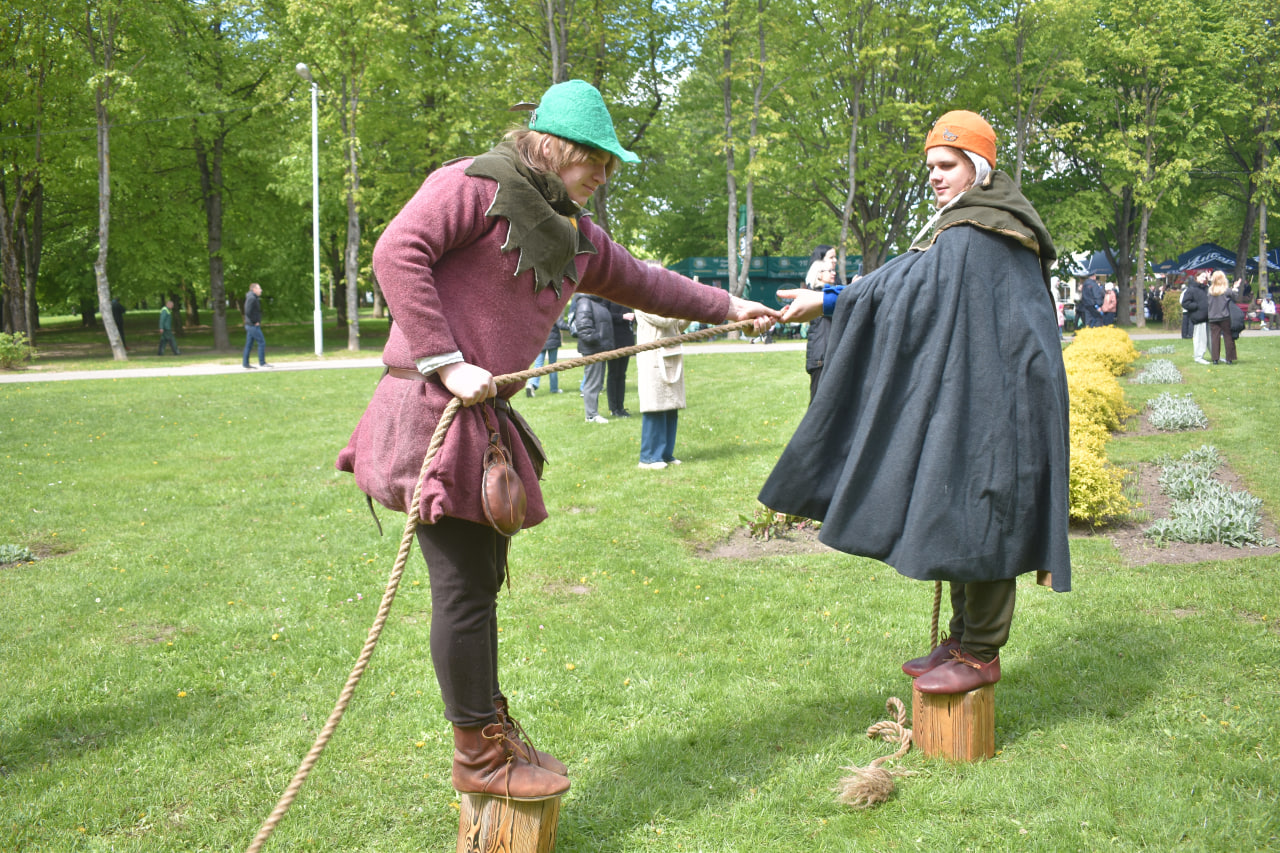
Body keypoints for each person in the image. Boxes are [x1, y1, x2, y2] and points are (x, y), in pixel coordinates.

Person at [334, 79, 777, 802]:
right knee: (464, 591)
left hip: (481, 418)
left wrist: (728, 303)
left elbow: (644, 281)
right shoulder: (473, 185)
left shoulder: (573, 233)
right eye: (595, 157)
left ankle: (488, 731)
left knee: (476, 584)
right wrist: (446, 360)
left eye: (609, 161)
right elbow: (396, 250)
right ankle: (479, 754)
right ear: (552, 145)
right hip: (428, 407)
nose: (604, 173)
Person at [760, 110, 1070, 695]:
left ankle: (981, 653)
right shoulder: (969, 227)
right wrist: (832, 298)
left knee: (985, 515)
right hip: (980, 393)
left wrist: (828, 302)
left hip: (1003, 402)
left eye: (946, 165)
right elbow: (911, 285)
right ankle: (959, 640)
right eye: (930, 166)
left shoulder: (983, 229)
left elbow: (906, 290)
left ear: (978, 168)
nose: (935, 176)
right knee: (958, 513)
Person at [634, 310, 688, 469]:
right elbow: (663, 320)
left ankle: (665, 454)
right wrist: (685, 305)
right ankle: (649, 457)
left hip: (671, 354)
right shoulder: (642, 298)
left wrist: (691, 314)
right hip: (652, 357)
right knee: (655, 406)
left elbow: (678, 324)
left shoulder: (668, 300)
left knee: (671, 407)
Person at [573, 292, 615, 423]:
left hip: (600, 348)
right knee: (592, 382)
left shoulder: (598, 302)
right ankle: (591, 415)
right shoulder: (585, 302)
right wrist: (598, 339)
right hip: (593, 349)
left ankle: (593, 413)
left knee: (597, 382)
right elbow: (583, 327)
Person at [803, 245, 836, 402]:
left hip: (827, 355)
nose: (833, 272)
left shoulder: (827, 294)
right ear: (818, 274)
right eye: (828, 270)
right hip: (820, 357)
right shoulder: (816, 296)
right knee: (817, 406)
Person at [605, 299, 635, 417]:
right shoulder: (607, 297)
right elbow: (606, 315)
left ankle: (621, 407)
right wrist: (622, 316)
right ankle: (614, 408)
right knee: (613, 374)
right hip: (613, 340)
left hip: (625, 340)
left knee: (622, 374)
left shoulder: (625, 296)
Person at [1206, 270, 1240, 365]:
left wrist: (1209, 280)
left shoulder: (1210, 290)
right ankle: (1229, 358)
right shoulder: (1227, 290)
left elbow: (1211, 287)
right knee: (1228, 337)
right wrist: (1235, 288)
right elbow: (1235, 297)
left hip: (1212, 316)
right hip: (1224, 316)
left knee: (1215, 338)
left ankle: (1215, 359)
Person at [525, 318, 563, 396]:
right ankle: (554, 389)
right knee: (553, 366)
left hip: (540, 341)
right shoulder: (555, 310)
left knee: (538, 365)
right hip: (552, 341)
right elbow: (561, 324)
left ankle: (531, 384)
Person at [1181, 272, 1210, 364]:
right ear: (1196, 277)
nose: (1203, 279)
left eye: (1204, 277)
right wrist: (1196, 306)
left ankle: (1209, 355)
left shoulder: (1205, 288)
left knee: (1206, 338)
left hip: (1207, 317)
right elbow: (1185, 303)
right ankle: (1198, 356)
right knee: (1199, 337)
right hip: (1198, 317)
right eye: (1202, 277)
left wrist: (1210, 280)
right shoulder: (1191, 289)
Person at [242, 283, 269, 369]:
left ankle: (245, 364)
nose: (261, 290)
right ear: (254, 289)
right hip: (252, 325)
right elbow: (247, 311)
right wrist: (255, 321)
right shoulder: (251, 298)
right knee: (261, 342)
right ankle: (262, 363)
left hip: (250, 325)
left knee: (249, 345)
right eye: (259, 288)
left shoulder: (253, 298)